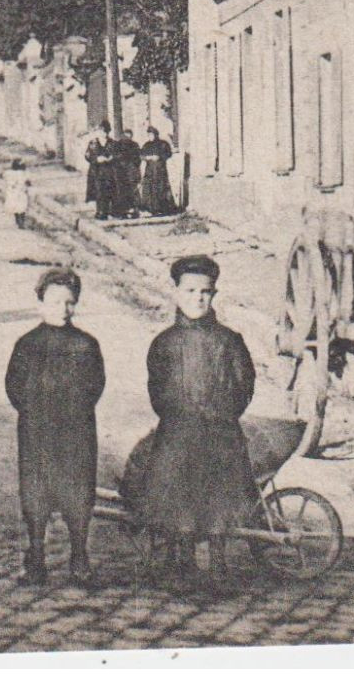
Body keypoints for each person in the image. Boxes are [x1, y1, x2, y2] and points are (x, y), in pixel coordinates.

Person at [141, 254, 256, 589]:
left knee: (219, 498)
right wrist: (178, 415)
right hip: (179, 432)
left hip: (220, 433)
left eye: (205, 291)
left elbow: (244, 384)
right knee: (180, 497)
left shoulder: (229, 341)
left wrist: (224, 412)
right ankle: (182, 562)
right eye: (190, 290)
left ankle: (218, 563)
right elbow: (156, 388)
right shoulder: (164, 343)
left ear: (214, 294)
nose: (197, 298)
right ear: (176, 293)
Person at [3, 267, 106, 587]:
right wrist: (36, 412)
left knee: (77, 495)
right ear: (40, 304)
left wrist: (74, 412)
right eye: (55, 301)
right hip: (37, 433)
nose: (63, 309)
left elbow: (95, 385)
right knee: (36, 496)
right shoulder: (27, 345)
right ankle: (35, 558)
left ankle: (79, 557)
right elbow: (14, 386)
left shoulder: (86, 345)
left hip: (76, 434)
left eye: (69, 302)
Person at [138, 127, 177, 216]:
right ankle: (149, 208)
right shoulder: (146, 145)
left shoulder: (163, 144)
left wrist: (160, 157)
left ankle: (162, 208)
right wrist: (147, 158)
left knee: (161, 188)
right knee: (149, 188)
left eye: (152, 134)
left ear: (156, 134)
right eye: (149, 135)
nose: (150, 136)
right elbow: (141, 155)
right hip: (150, 171)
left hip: (160, 170)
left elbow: (169, 154)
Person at [109, 129, 142, 218]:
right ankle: (120, 211)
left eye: (130, 136)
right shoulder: (117, 145)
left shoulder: (135, 145)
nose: (128, 138)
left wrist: (135, 170)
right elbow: (114, 157)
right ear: (122, 135)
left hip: (131, 172)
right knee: (120, 191)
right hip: (120, 172)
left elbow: (138, 159)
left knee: (132, 191)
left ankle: (133, 210)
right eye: (126, 136)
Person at [84, 122, 113, 220]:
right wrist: (96, 159)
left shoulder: (111, 143)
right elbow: (87, 155)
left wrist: (109, 159)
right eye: (102, 131)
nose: (103, 134)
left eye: (106, 132)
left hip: (108, 170)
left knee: (107, 190)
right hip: (96, 171)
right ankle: (100, 211)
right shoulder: (93, 143)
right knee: (98, 190)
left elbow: (116, 154)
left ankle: (106, 211)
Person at [3, 159, 33, 230]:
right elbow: (29, 183)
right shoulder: (24, 174)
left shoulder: (8, 173)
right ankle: (22, 221)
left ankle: (17, 220)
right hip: (21, 192)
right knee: (22, 207)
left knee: (15, 206)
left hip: (12, 192)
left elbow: (6, 179)